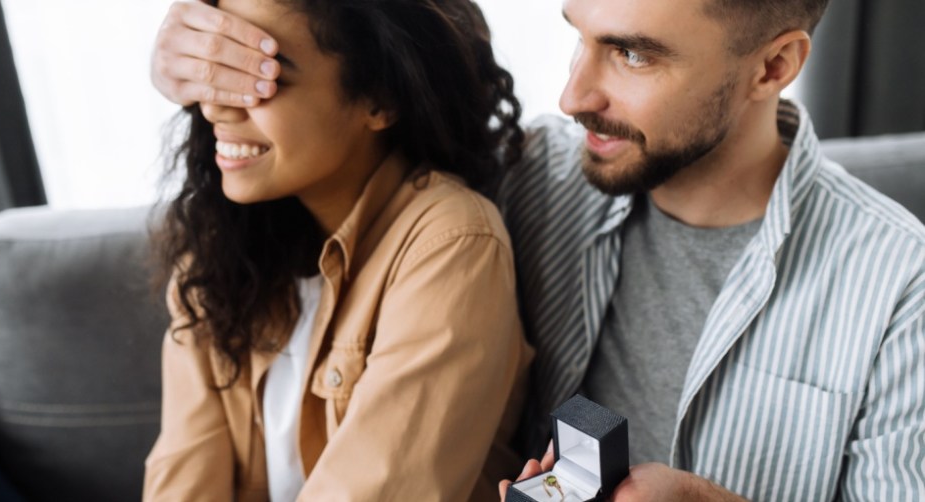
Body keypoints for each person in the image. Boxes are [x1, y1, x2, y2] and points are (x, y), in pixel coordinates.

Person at [149, 0, 925, 500]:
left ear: (774, 66)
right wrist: (207, 61)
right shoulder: (530, 172)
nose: (573, 94)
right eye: (578, 38)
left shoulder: (897, 284)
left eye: (633, 54)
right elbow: (399, 50)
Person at [143, 0, 533, 500]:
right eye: (217, 70)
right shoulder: (216, 254)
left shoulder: (451, 243)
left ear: (379, 98)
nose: (217, 106)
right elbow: (184, 479)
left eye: (265, 78)